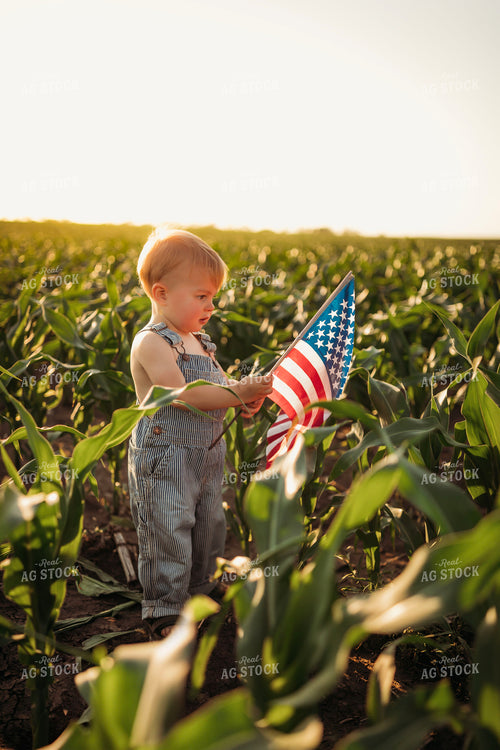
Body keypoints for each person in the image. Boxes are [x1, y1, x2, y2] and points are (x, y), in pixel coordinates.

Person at [128, 228, 272, 639]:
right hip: (166, 455)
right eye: (202, 296)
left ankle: (201, 588)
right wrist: (234, 392)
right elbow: (183, 395)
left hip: (207, 453)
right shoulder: (153, 343)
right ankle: (165, 608)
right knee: (168, 526)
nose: (211, 305)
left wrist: (244, 401)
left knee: (209, 523)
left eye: (213, 296)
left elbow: (219, 392)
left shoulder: (200, 343)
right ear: (161, 292)